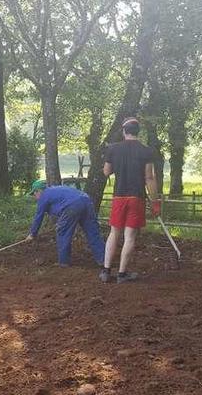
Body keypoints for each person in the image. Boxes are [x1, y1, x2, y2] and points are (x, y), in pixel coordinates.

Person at [100, 117, 160, 284]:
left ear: (124, 131)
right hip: (136, 198)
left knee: (114, 233)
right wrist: (155, 202)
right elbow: (149, 177)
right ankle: (121, 274)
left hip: (119, 197)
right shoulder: (146, 151)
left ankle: (105, 271)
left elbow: (106, 172)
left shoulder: (113, 149)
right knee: (130, 236)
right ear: (137, 131)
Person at [26, 180, 106, 268]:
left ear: (38, 191)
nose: (35, 197)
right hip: (86, 200)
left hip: (72, 205)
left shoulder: (44, 196)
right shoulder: (54, 190)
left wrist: (32, 234)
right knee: (93, 232)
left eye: (34, 194)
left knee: (62, 232)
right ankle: (103, 260)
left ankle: (64, 262)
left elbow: (38, 216)